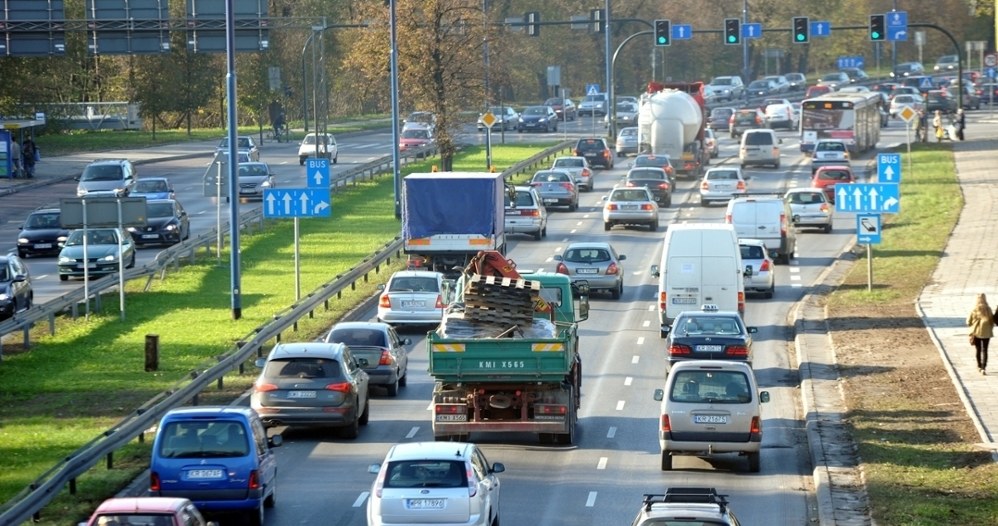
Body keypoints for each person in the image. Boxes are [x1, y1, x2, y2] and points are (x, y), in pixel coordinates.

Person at [966, 293, 995, 375]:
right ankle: (984, 367)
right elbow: (991, 320)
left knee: (978, 350)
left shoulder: (974, 309)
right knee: (985, 350)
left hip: (976, 332)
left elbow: (968, 322)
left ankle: (979, 366)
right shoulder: (988, 309)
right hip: (987, 332)